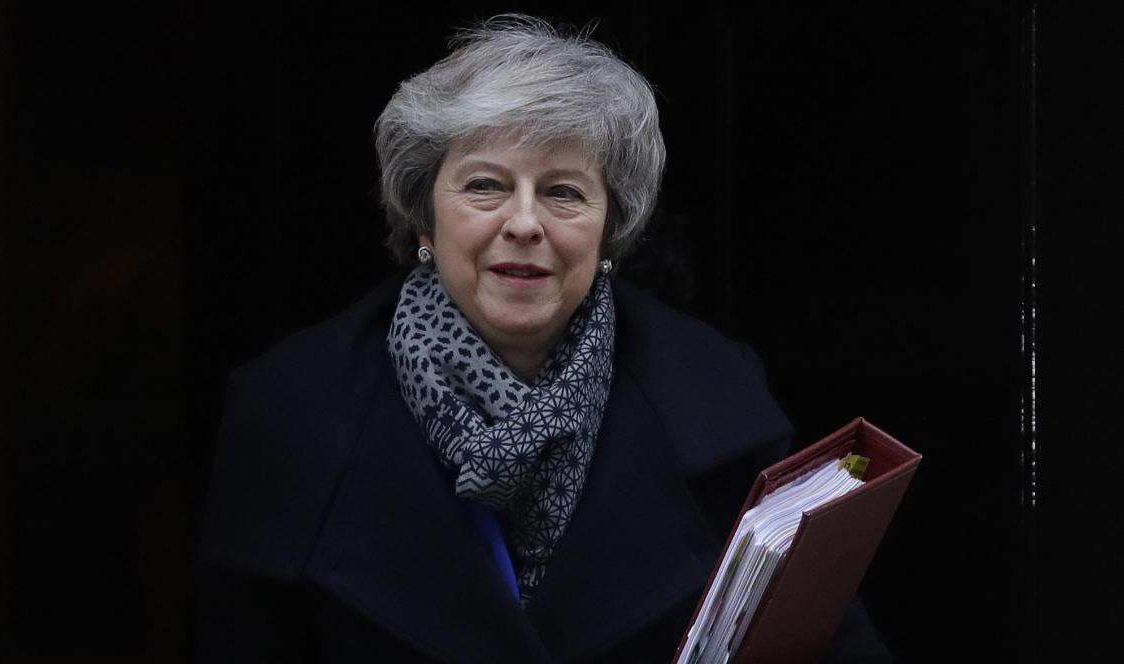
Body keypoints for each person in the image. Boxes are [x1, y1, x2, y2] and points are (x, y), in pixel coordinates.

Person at [197, 14, 892, 663]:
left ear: (609, 227)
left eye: (563, 192)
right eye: (485, 186)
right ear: (422, 220)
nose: (525, 223)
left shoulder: (722, 399)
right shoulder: (289, 409)